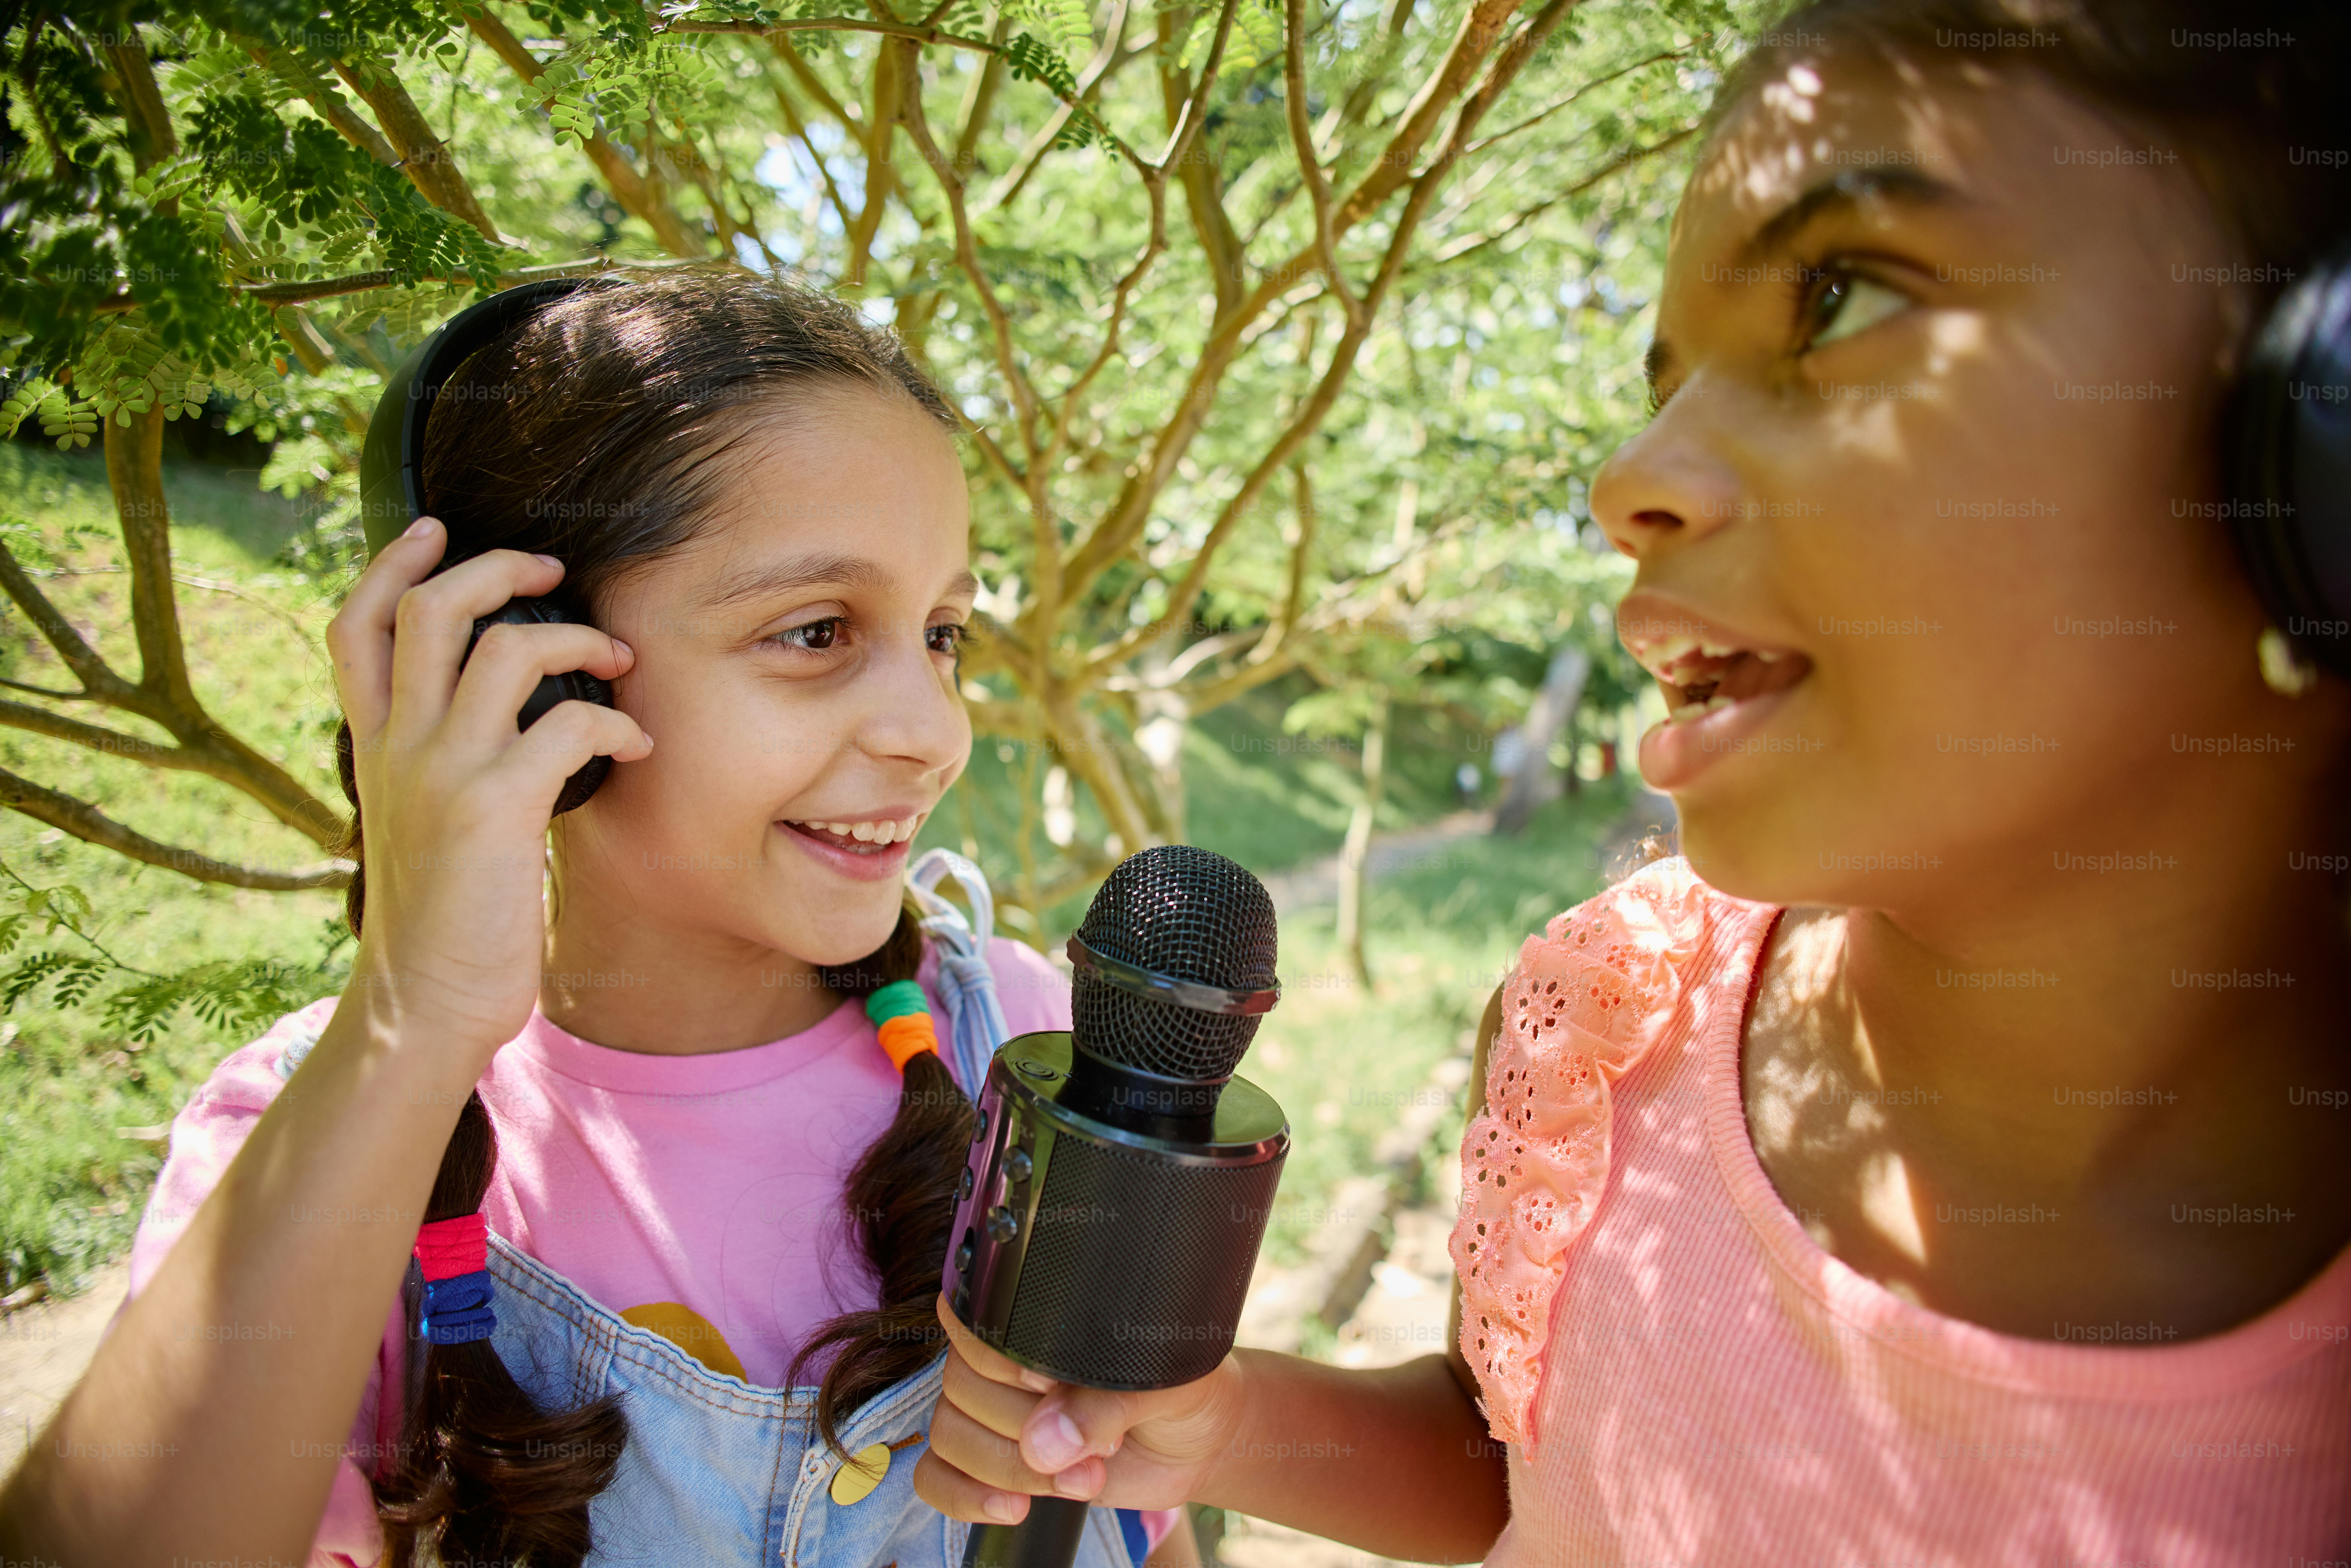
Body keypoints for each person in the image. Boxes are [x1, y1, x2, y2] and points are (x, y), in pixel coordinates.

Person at [910, 3, 2351, 1562]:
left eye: (1847, 297)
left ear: (2311, 433)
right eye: (1663, 383)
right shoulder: (1615, 1022)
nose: (1625, 481)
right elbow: (1510, 1447)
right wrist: (1220, 1426)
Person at [0, 272, 1187, 1567]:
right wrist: (412, 1025)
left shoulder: (1029, 1044)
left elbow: (1131, 1522)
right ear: (523, 656)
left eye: (944, 633)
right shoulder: (313, 1140)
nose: (934, 734)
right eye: (815, 631)